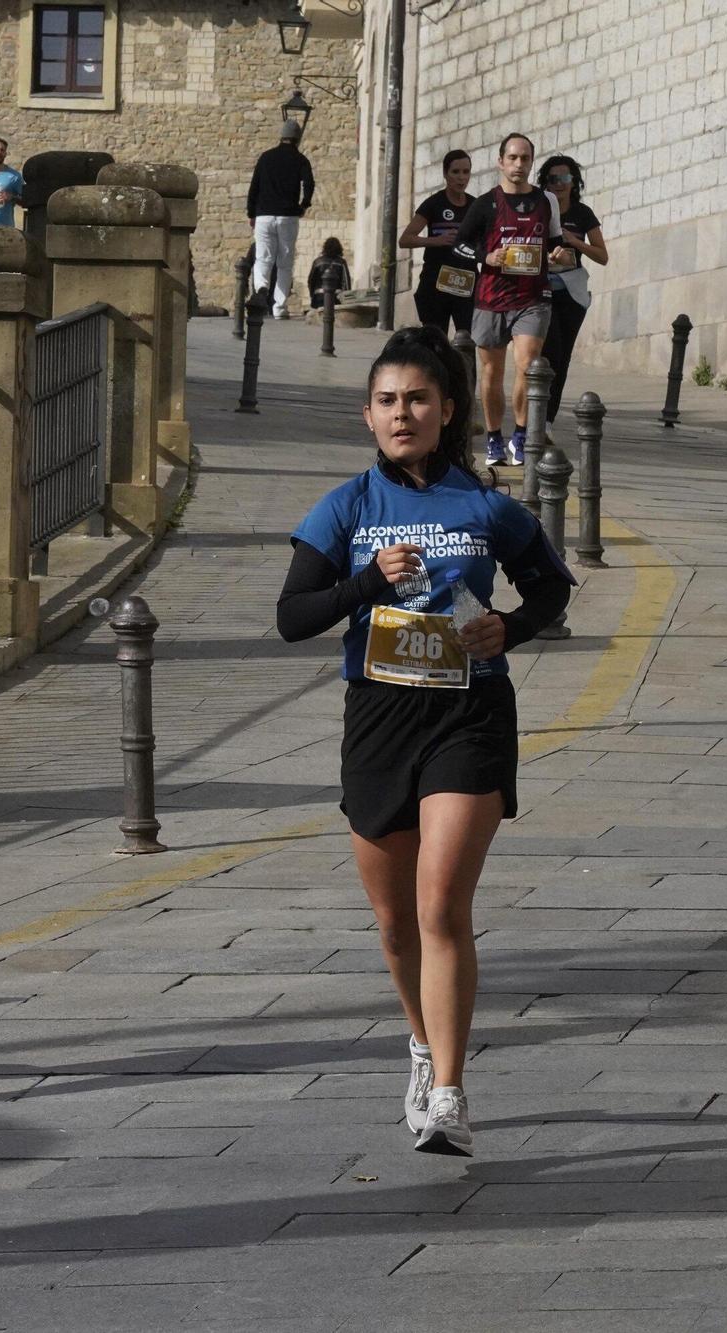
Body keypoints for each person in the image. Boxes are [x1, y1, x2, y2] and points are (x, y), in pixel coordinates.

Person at [275, 327, 574, 1155]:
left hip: (467, 714)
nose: (402, 413)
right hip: (378, 717)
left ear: (446, 410)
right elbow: (292, 617)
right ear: (367, 415)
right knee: (395, 921)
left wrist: (506, 630)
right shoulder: (345, 509)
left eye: (417, 399)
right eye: (386, 401)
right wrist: (367, 580)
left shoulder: (486, 507)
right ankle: (419, 1042)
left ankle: (448, 1092)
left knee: (441, 903)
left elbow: (551, 587)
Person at [452, 133, 564, 467]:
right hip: (491, 297)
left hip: (533, 296)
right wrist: (487, 257)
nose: (519, 165)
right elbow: (460, 245)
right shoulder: (486, 203)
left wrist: (559, 254)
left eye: (525, 159)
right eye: (513, 158)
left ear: (532, 162)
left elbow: (558, 245)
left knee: (529, 364)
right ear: (501, 161)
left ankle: (520, 435)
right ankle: (493, 438)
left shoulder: (547, 202)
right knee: (491, 372)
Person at [536, 155, 608, 409]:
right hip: (541, 290)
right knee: (548, 353)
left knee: (563, 357)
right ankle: (536, 415)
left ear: (574, 182)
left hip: (571, 292)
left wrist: (575, 242)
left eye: (565, 178)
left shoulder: (582, 213)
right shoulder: (538, 209)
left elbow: (602, 256)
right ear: (545, 183)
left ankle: (549, 419)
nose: (559, 184)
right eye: (553, 179)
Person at [400, 149, 478, 337]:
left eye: (466, 172)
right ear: (445, 174)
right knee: (435, 340)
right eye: (456, 172)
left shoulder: (476, 206)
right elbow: (405, 239)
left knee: (466, 340)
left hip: (466, 282)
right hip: (435, 283)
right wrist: (437, 241)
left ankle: (465, 368)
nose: (461, 178)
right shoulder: (433, 204)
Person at [246, 120, 316, 321]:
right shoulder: (301, 160)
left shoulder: (266, 158)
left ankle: (260, 294)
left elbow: (254, 187)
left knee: (263, 258)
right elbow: (309, 184)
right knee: (285, 262)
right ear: (298, 138)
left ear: (281, 135)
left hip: (264, 215)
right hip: (288, 215)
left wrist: (252, 213)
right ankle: (279, 306)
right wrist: (304, 205)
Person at [305, 237, 351, 311]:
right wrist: (346, 298)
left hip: (319, 297)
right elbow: (346, 282)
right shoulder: (341, 262)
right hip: (336, 297)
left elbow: (311, 281)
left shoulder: (317, 262)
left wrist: (312, 295)